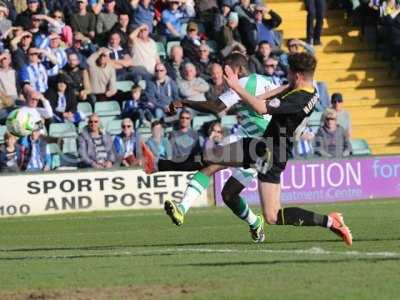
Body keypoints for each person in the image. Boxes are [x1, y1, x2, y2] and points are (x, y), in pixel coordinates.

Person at [219, 52, 352, 245]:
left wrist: (237, 87)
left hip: (271, 151)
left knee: (272, 215)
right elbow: (284, 88)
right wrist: (252, 96)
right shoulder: (310, 90)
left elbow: (261, 108)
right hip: (273, 147)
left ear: (297, 75)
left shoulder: (296, 101)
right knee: (214, 158)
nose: (287, 76)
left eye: (289, 73)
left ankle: (331, 221)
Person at [149, 53, 277, 243]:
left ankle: (180, 206)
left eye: (228, 70)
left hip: (258, 145)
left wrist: (184, 102)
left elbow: (216, 107)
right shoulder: (267, 81)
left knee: (209, 161)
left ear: (239, 69)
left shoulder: (242, 83)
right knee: (228, 194)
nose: (226, 75)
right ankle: (255, 223)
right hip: (258, 141)